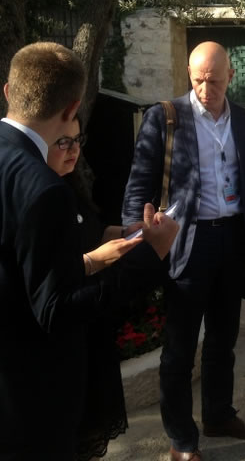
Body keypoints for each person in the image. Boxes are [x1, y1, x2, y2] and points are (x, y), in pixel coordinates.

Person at [0, 42, 177, 460]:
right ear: (72, 108)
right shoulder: (44, 188)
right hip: (30, 404)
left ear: (9, 91)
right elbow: (57, 309)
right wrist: (150, 255)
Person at [122, 41, 245, 461]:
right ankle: (182, 441)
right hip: (187, 244)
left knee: (224, 340)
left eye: (214, 80)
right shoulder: (165, 117)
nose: (206, 89)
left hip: (233, 241)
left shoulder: (244, 120)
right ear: (190, 76)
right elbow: (139, 185)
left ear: (230, 76)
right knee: (180, 347)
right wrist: (136, 240)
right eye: (198, 80)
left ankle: (219, 415)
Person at [47, 117, 145, 461]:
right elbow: (55, 271)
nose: (73, 149)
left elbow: (90, 233)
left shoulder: (71, 184)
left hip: (91, 327)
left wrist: (125, 233)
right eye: (63, 141)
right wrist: (96, 260)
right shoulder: (41, 194)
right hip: (69, 325)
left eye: (78, 140)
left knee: (89, 431)